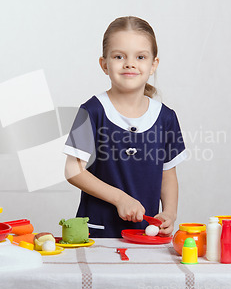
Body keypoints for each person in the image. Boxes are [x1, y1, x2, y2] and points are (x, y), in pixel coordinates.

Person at [63, 16, 187, 238]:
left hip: (147, 234)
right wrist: (120, 198)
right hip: (99, 234)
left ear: (153, 64)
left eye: (140, 57)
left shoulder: (166, 118)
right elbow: (73, 171)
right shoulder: (91, 111)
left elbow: (168, 175)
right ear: (104, 64)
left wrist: (169, 212)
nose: (130, 63)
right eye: (119, 56)